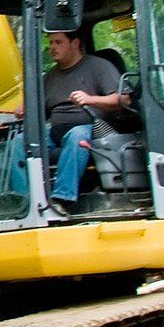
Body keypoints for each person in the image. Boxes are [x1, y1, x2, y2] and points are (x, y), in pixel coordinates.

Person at [39, 28, 124, 216]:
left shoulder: (99, 67)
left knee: (77, 136)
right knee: (21, 142)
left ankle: (61, 199)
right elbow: (40, 112)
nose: (52, 47)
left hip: (92, 131)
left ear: (75, 43)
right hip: (55, 134)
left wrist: (90, 99)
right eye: (50, 43)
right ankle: (23, 197)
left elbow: (123, 100)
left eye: (58, 42)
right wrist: (25, 109)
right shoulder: (49, 77)